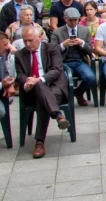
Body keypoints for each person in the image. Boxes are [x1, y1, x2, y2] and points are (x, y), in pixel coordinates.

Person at [15, 26, 69, 158]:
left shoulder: (52, 48)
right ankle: (58, 115)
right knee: (38, 88)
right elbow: (20, 75)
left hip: (55, 87)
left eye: (30, 40)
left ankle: (40, 142)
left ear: (39, 37)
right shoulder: (20, 54)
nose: (27, 44)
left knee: (41, 97)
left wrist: (39, 79)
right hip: (33, 90)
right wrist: (27, 81)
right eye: (25, 41)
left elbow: (57, 70)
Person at [52, 7, 96, 107]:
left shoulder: (84, 30)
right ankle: (67, 98)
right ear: (65, 19)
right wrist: (63, 45)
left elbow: (90, 50)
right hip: (64, 62)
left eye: (75, 20)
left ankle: (78, 92)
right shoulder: (57, 32)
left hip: (80, 61)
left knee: (91, 78)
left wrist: (82, 43)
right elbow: (52, 51)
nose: (73, 23)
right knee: (65, 78)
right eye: (71, 20)